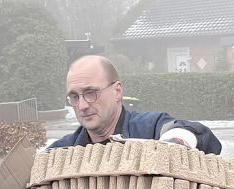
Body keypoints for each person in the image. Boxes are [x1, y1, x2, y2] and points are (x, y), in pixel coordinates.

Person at [50, 55, 222, 154]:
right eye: (74, 96)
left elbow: (202, 139)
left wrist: (173, 146)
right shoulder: (61, 152)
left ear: (117, 91)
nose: (81, 106)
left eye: (90, 93)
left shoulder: (150, 129)